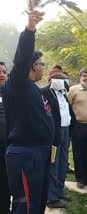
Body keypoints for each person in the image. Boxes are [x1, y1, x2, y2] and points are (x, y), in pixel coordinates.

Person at [2, 10, 55, 213]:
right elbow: (21, 58)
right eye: (42, 64)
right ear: (33, 66)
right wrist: (30, 29)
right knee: (25, 206)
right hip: (26, 153)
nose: (43, 67)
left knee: (38, 203)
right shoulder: (18, 84)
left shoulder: (35, 88)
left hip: (41, 152)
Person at [42, 66, 75, 208]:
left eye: (61, 78)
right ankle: (51, 197)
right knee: (53, 165)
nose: (59, 80)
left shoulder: (63, 93)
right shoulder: (44, 93)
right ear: (50, 79)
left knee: (63, 162)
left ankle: (59, 191)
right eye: (56, 78)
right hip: (54, 133)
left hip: (65, 130)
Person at [67, 68, 87, 189]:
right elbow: (67, 107)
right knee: (78, 153)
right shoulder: (73, 90)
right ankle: (80, 179)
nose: (86, 78)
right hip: (77, 126)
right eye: (84, 76)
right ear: (80, 77)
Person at [0, 61, 10, 214]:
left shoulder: (12, 95)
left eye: (4, 72)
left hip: (9, 152)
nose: (1, 75)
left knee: (6, 187)